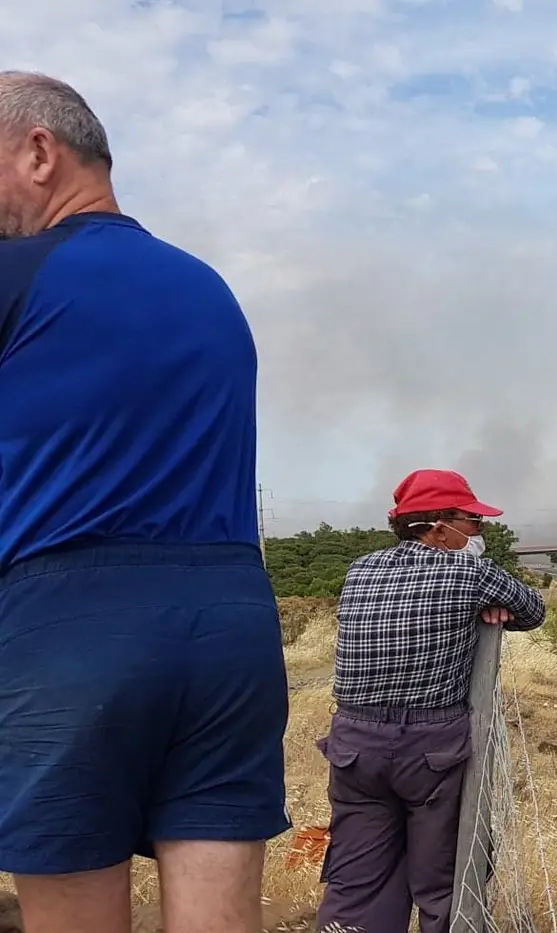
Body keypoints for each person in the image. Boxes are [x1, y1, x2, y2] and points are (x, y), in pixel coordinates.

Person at [0, 72, 290, 933]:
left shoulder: (18, 274)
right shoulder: (209, 288)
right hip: (233, 626)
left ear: (39, 151)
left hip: (72, 627)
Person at [317, 468, 546, 933]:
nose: (480, 532)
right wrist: (486, 606)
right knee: (447, 881)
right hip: (430, 747)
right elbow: (533, 609)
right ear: (440, 528)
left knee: (358, 880)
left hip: (354, 745)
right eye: (474, 523)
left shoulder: (361, 569)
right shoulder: (470, 573)